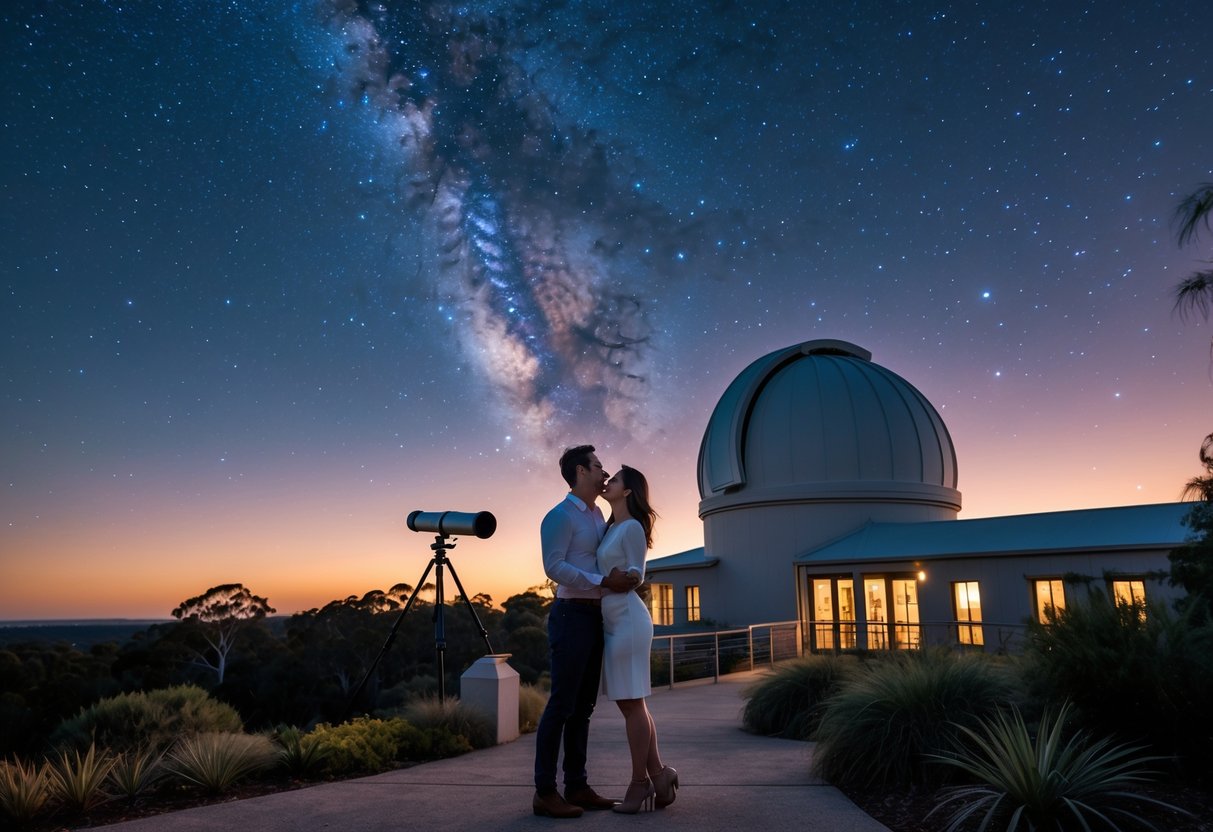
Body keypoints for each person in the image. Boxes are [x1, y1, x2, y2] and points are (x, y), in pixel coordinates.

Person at [533, 445, 638, 819]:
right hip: (571, 615)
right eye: (598, 466)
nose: (604, 471)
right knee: (562, 704)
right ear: (580, 472)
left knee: (584, 708)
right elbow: (553, 566)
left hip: (596, 617)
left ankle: (576, 785)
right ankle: (545, 791)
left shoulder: (598, 515)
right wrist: (601, 581)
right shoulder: (560, 516)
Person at [597, 464, 678, 813]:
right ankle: (659, 775)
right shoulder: (611, 526)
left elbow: (636, 575)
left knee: (631, 702)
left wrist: (614, 577)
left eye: (614, 479)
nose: (608, 481)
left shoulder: (630, 527)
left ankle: (639, 783)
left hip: (628, 619)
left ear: (627, 491)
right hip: (613, 619)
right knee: (632, 703)